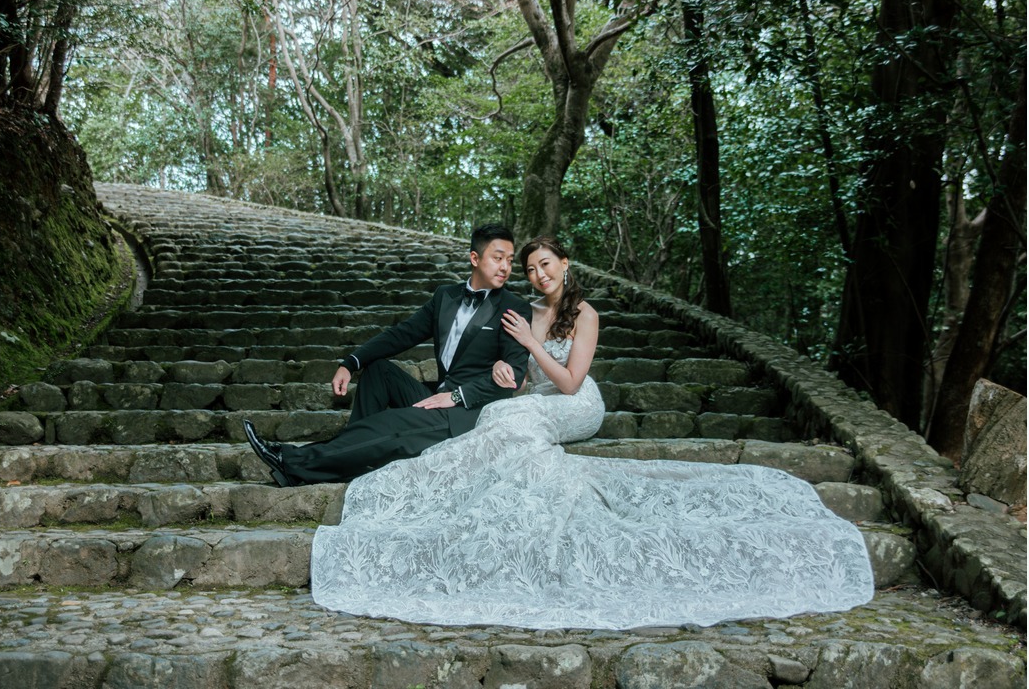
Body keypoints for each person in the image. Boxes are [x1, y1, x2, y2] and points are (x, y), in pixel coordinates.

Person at [308, 236, 875, 630]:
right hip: (534, 398)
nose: (539, 275)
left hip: (576, 403)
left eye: (546, 265)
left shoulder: (586, 314)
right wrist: (505, 370)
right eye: (531, 269)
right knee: (503, 414)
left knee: (511, 420)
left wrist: (528, 349)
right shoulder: (525, 311)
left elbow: (571, 380)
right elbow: (518, 375)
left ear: (565, 264)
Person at [244, 223, 533, 486]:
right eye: (498, 258)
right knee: (377, 370)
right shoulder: (446, 296)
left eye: (510, 260)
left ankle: (292, 462)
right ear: (474, 258)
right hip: (436, 396)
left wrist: (457, 396)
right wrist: (351, 362)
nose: (505, 267)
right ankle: (351, 459)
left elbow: (515, 375)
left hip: (465, 413)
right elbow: (402, 334)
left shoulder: (513, 307)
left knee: (390, 425)